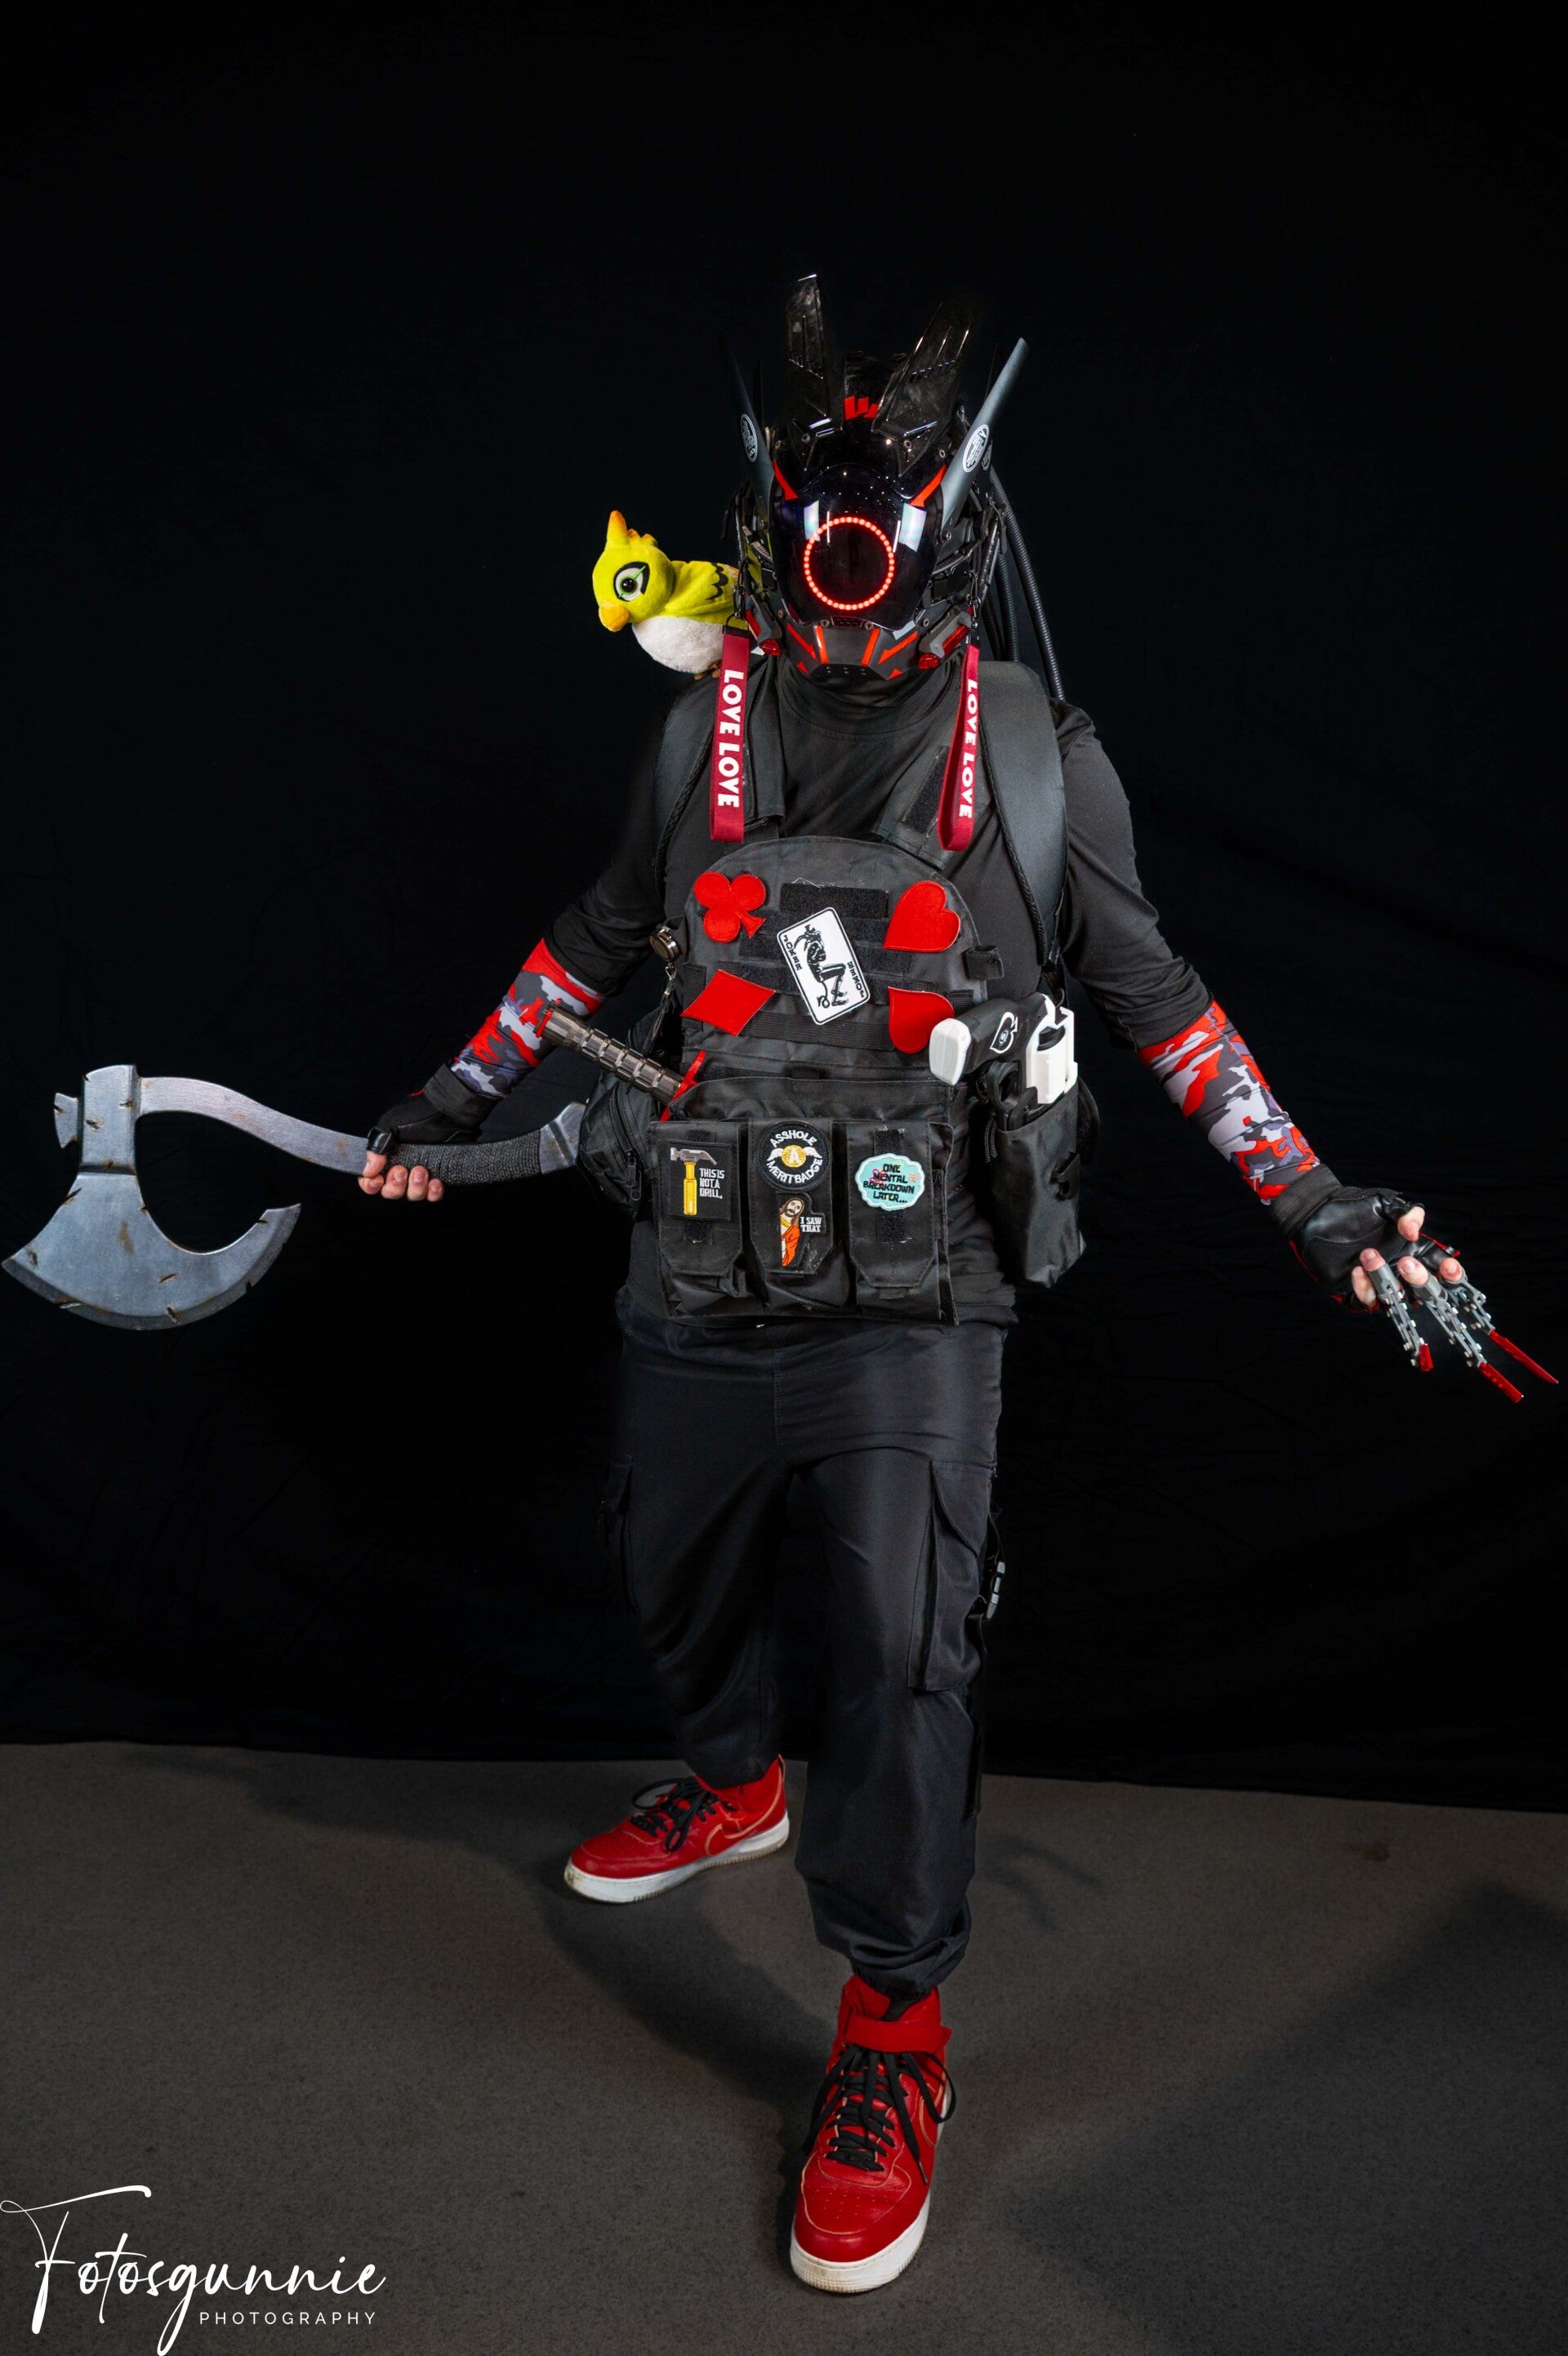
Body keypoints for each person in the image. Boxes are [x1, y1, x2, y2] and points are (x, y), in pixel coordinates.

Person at [359, 278, 1477, 2296]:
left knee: (895, 1639)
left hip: (920, 1282)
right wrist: (451, 1097)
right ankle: (731, 1786)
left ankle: (893, 2028)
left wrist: (1320, 1201)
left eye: (878, 535)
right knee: (666, 1570)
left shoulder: (1037, 760)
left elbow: (1167, 1006)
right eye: (817, 531)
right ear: (773, 524)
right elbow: (593, 942)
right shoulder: (699, 726)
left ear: (949, 531)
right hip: (697, 1252)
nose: (846, 576)